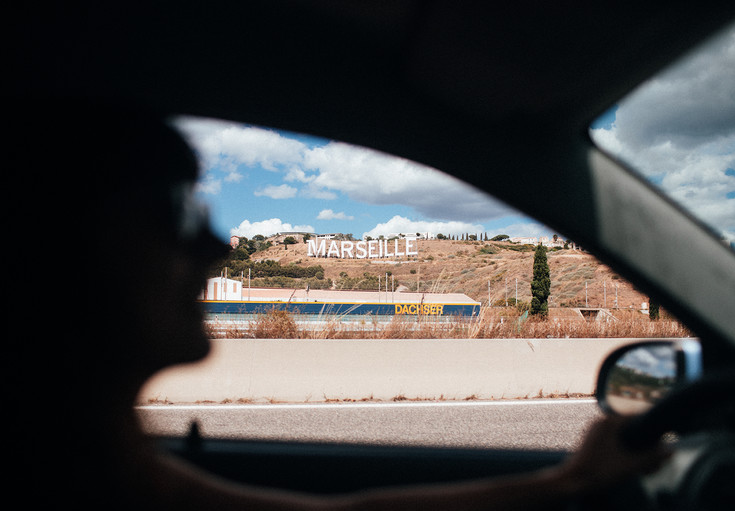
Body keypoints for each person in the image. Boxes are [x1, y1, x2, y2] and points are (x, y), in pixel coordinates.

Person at [15, 98, 670, 509]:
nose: (219, 244)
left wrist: (566, 481)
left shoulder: (109, 468)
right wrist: (568, 483)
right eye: (177, 211)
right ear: (48, 242)